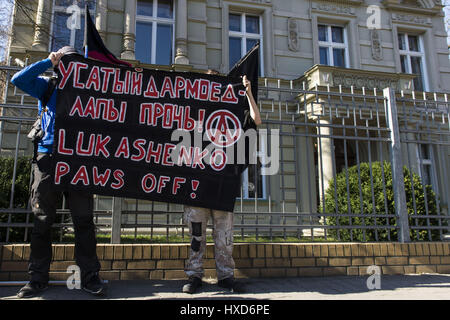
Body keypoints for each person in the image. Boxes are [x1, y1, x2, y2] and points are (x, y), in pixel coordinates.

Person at [11, 46, 105, 298]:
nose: (69, 65)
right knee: (42, 220)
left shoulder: (90, 91)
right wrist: (48, 61)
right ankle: (37, 278)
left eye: (74, 61)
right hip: (47, 158)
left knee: (83, 222)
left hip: (78, 161)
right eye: (65, 61)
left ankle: (89, 276)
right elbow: (17, 79)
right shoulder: (48, 86)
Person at [182, 70, 261, 294]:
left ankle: (225, 276)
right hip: (197, 186)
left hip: (223, 186)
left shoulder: (234, 114)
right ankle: (194, 276)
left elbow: (257, 120)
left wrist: (248, 92)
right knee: (196, 236)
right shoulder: (195, 110)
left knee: (224, 237)